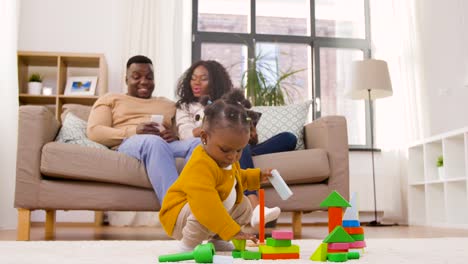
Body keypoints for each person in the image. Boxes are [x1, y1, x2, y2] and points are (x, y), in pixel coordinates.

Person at [175, 60, 291, 227]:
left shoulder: (228, 102)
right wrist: (216, 122)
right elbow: (185, 134)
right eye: (193, 78)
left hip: (238, 143)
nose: (197, 82)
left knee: (288, 138)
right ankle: (255, 205)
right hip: (215, 146)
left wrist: (248, 130)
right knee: (241, 148)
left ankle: (246, 151)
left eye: (203, 78)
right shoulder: (185, 106)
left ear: (215, 80)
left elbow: (241, 129)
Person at [159, 90, 270, 252]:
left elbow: (235, 179)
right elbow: (206, 204)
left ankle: (217, 239)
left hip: (206, 214)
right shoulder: (200, 164)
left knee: (244, 205)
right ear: (204, 137)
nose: (232, 157)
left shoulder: (227, 160)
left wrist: (258, 176)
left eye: (239, 150)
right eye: (225, 150)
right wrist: (232, 230)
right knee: (205, 207)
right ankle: (187, 246)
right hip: (180, 219)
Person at [87, 55, 200, 204]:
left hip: (165, 144)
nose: (144, 82)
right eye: (136, 77)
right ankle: (175, 208)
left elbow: (182, 129)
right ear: (126, 79)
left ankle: (198, 203)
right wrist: (134, 131)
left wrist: (175, 136)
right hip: (129, 143)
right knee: (153, 142)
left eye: (149, 77)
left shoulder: (168, 104)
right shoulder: (111, 99)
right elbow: (94, 132)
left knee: (197, 144)